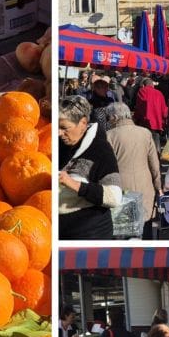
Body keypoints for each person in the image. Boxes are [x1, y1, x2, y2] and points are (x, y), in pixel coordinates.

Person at [59, 96, 122, 239]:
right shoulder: (61, 145)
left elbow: (114, 196)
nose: (59, 133)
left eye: (64, 128)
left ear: (83, 123)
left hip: (89, 233)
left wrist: (75, 185)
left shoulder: (101, 150)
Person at [102, 103, 161, 224]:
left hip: (121, 188)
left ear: (114, 117)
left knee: (124, 227)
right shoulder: (145, 133)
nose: (108, 121)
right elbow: (154, 165)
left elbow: (106, 167)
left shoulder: (109, 136)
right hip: (145, 185)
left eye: (108, 118)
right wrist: (158, 186)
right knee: (145, 224)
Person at [134, 77, 169, 147]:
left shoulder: (141, 91)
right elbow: (164, 111)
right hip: (157, 123)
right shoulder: (159, 93)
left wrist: (136, 118)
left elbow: (139, 107)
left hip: (144, 122)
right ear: (152, 85)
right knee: (156, 145)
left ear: (143, 85)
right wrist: (164, 122)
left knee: (145, 145)